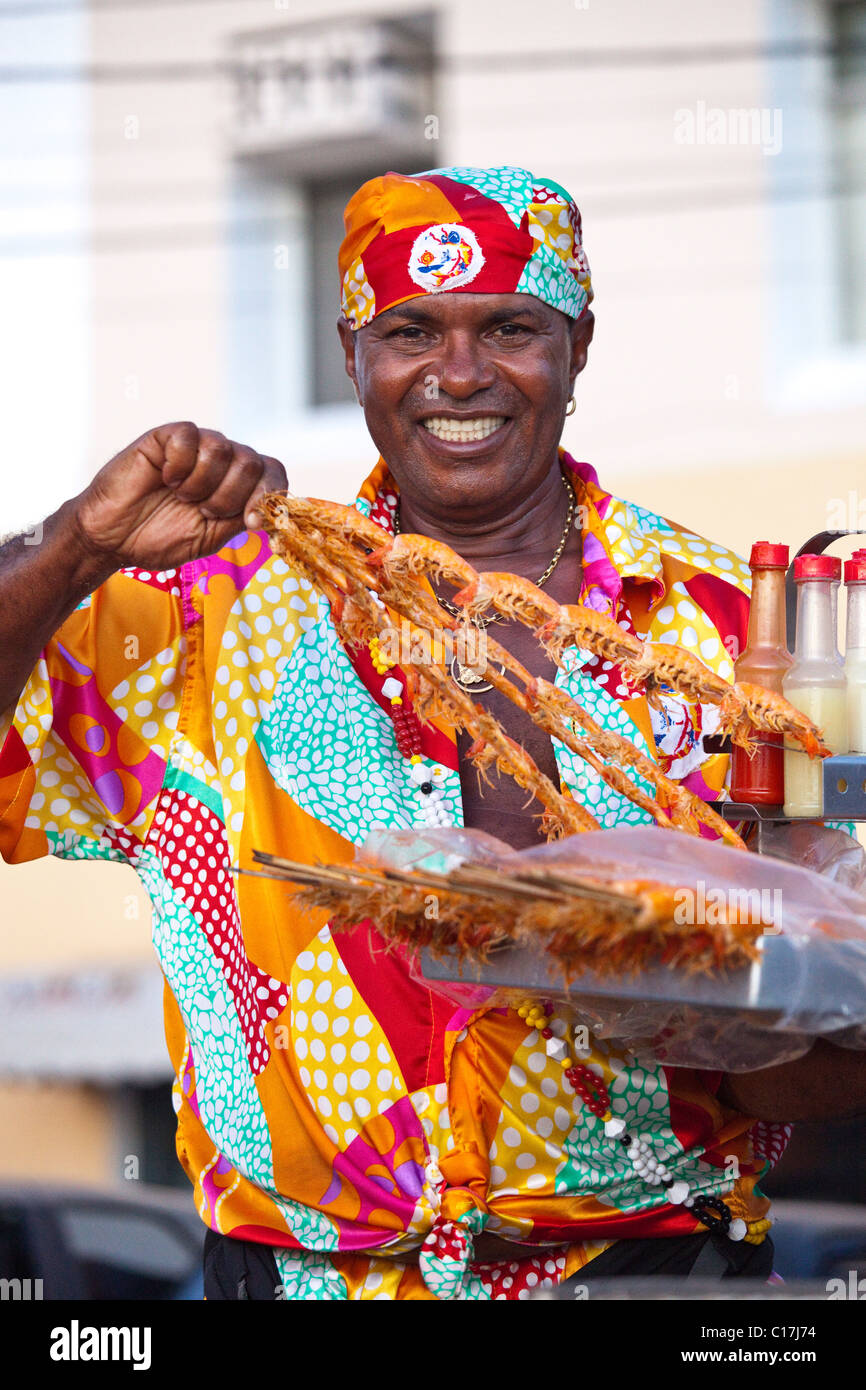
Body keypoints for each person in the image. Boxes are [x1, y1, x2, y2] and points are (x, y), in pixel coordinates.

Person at [1, 165, 864, 1301]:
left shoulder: (725, 628)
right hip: (296, 1279)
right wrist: (78, 543)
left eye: (510, 326)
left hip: (654, 1272)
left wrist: (771, 1012)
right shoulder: (202, 617)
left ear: (579, 342)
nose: (458, 374)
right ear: (352, 351)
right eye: (412, 330)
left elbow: (799, 1067)